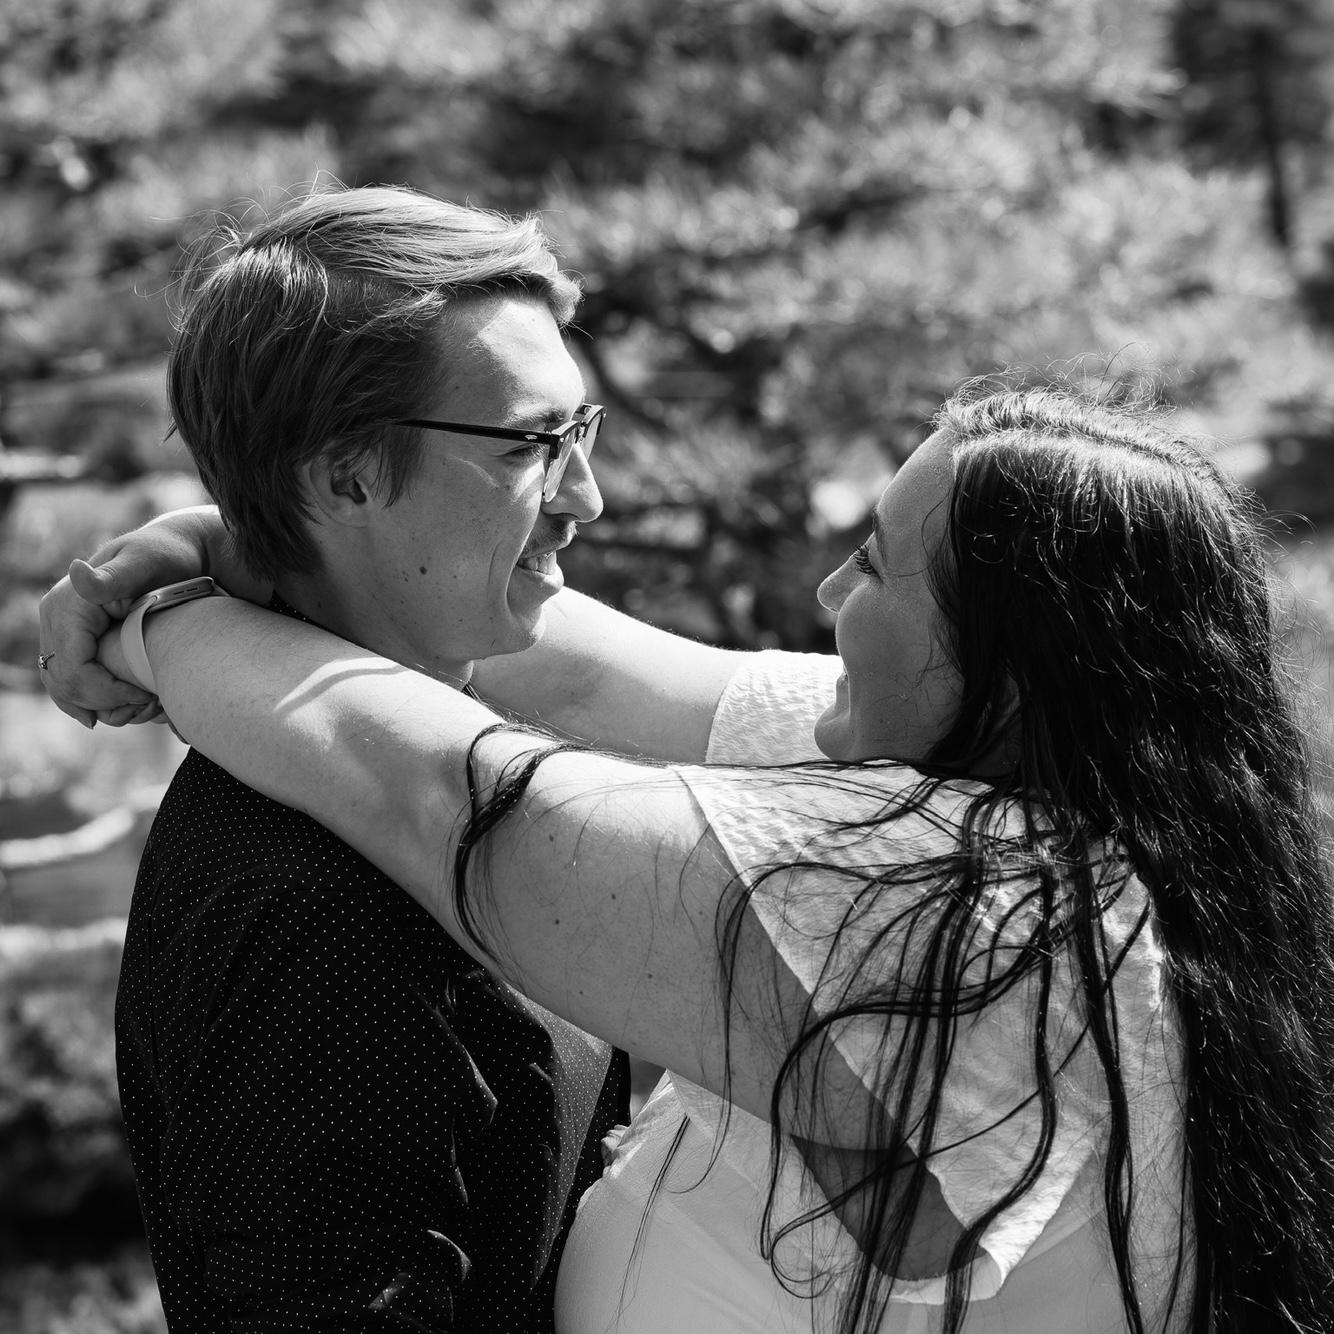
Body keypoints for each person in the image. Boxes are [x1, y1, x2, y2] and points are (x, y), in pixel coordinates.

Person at [42, 384, 1334, 1333]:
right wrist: (263, 541)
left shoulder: (984, 914)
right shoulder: (1079, 805)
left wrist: (159, 627)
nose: (829, 595)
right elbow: (581, 670)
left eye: (875, 564)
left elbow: (438, 795)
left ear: (1004, 664)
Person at [45, 182, 645, 1332]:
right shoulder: (321, 912)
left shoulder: (434, 738)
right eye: (532, 443)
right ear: (344, 474)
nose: (587, 495)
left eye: (581, 430)